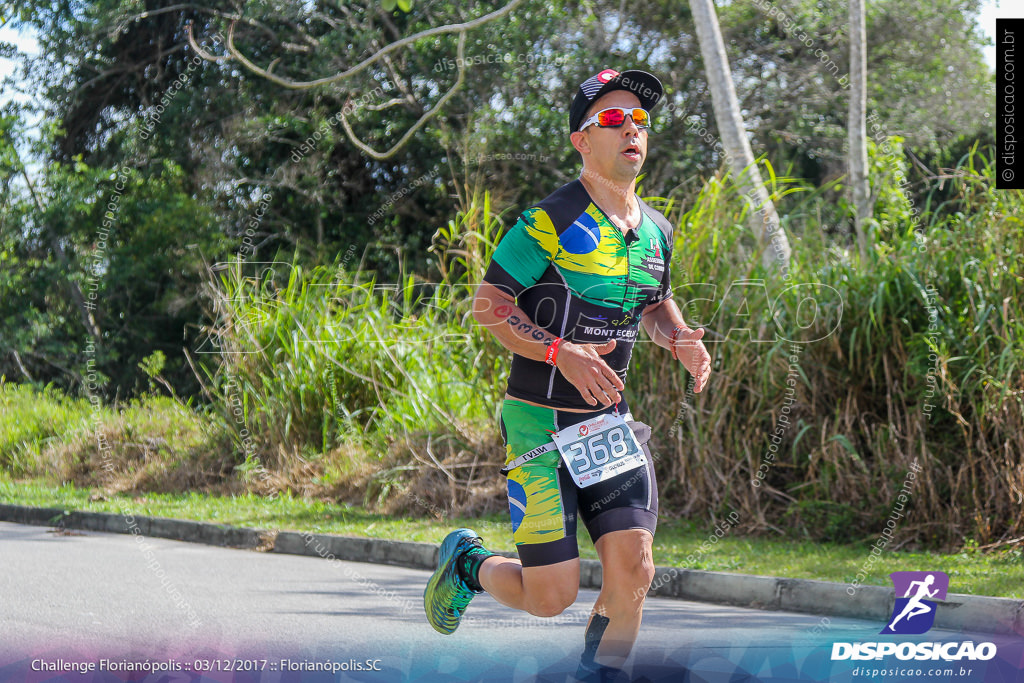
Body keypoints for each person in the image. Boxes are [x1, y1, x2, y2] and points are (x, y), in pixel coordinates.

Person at [424, 68, 712, 682]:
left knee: (634, 567)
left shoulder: (656, 230)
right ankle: (469, 565)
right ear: (582, 141)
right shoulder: (548, 220)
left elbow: (654, 304)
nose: (631, 129)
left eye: (639, 120)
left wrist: (680, 339)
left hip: (608, 426)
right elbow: (489, 305)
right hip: (539, 426)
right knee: (551, 595)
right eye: (613, 119)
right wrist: (562, 353)